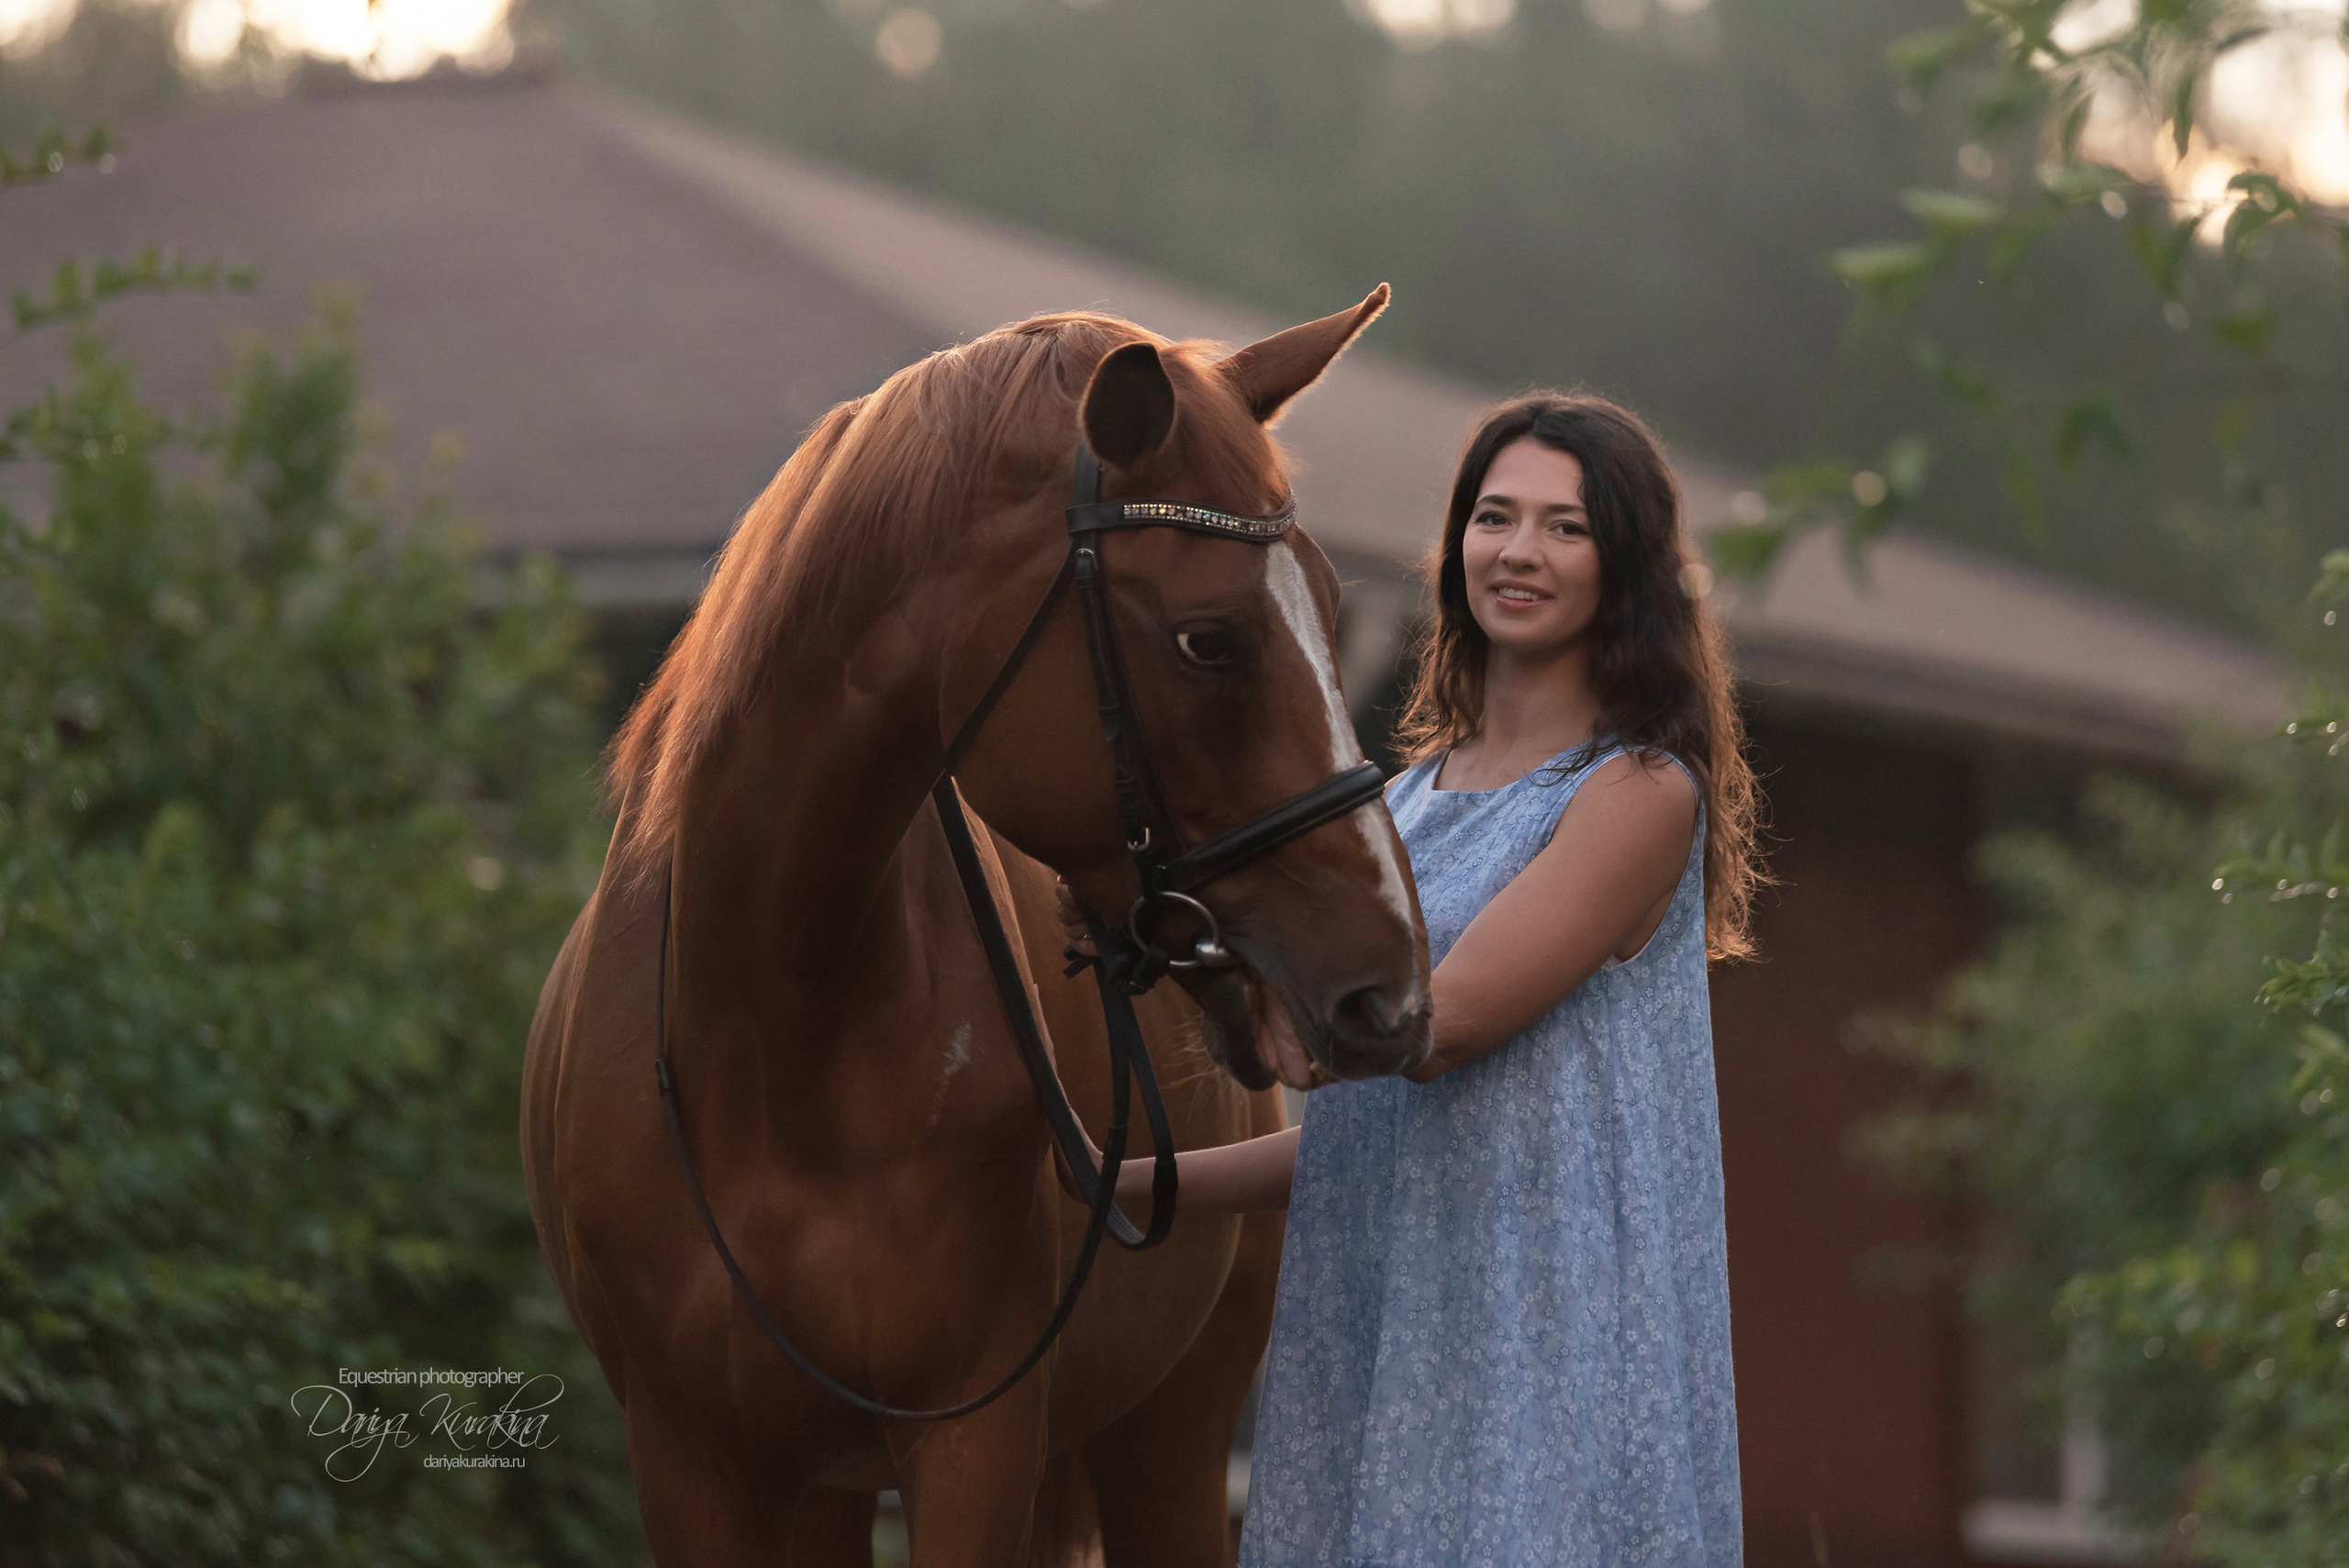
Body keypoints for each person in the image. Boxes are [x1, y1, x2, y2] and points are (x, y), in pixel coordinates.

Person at [1059, 390, 1762, 1566]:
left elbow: (1441, 1027)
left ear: (1623, 564)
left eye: (1564, 526)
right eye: (1494, 517)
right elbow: (1366, 1125)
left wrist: (1227, 970)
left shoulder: (1637, 792)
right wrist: (1123, 1180)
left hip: (1541, 1341)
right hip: (1383, 1335)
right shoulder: (1400, 806)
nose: (1518, 551)